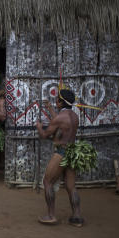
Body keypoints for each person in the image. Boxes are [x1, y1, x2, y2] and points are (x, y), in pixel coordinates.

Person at [36, 90, 84, 227]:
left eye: (57, 100)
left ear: (60, 102)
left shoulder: (60, 118)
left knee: (47, 182)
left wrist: (39, 127)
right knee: (71, 186)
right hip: (72, 153)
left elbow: (45, 134)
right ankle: (77, 217)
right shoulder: (74, 116)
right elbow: (60, 124)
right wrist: (50, 109)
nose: (55, 102)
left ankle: (51, 215)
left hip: (61, 152)